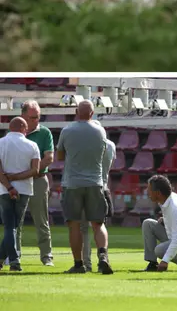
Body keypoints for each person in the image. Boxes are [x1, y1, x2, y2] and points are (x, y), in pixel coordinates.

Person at [56, 100, 113, 273]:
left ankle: (79, 264)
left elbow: (59, 156)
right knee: (98, 223)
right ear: (92, 113)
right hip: (95, 182)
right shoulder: (100, 131)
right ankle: (103, 256)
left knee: (74, 225)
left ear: (76, 111)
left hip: (72, 183)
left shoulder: (67, 130)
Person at [0, 117, 41, 271]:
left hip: (4, 190)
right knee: (14, 226)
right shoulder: (32, 145)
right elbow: (35, 170)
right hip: (24, 190)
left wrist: (9, 186)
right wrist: (17, 178)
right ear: (23, 128)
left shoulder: (1, 143)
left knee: (10, 226)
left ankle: (3, 259)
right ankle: (14, 261)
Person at [18, 101, 55, 267]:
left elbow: (49, 158)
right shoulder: (14, 133)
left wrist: (30, 171)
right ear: (23, 116)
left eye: (38, 117)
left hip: (38, 181)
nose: (36, 120)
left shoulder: (45, 132)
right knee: (15, 221)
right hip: (20, 182)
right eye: (33, 117)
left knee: (42, 220)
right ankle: (14, 256)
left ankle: (47, 256)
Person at [80, 124, 115, 272]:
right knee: (99, 225)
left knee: (83, 228)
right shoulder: (111, 145)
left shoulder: (88, 144)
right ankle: (103, 257)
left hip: (85, 185)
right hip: (103, 186)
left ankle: (85, 264)